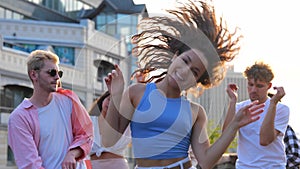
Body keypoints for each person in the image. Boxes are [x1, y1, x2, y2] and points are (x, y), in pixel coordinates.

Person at [102, 1, 265, 169]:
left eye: (194, 72)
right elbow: (108, 140)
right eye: (185, 61)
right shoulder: (136, 93)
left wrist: (235, 125)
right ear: (175, 56)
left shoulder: (196, 112)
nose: (185, 71)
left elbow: (206, 161)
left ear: (197, 81)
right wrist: (116, 96)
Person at [7, 50, 93, 169]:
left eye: (59, 73)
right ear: (34, 75)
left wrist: (72, 154)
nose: (57, 77)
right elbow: (30, 165)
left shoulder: (69, 100)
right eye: (52, 72)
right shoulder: (19, 118)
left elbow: (86, 135)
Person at [223, 61, 290, 169]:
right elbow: (224, 138)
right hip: (244, 166)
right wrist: (232, 101)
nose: (253, 90)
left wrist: (272, 104)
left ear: (269, 86)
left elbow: (265, 140)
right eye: (250, 84)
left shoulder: (281, 109)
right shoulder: (240, 108)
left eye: (259, 86)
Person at [88, 74, 131, 169]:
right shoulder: (89, 121)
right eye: (108, 99)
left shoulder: (124, 124)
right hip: (93, 165)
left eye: (114, 102)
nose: (110, 103)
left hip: (118, 166)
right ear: (102, 100)